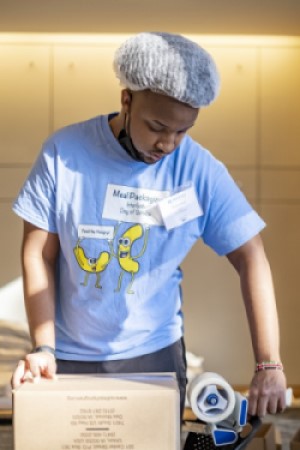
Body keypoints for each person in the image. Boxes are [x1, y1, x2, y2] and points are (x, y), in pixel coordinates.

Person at [11, 32, 286, 421]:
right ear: (126, 99)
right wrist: (43, 347)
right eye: (157, 126)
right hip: (66, 356)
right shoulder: (64, 154)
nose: (169, 144)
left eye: (183, 130)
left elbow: (251, 255)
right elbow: (39, 253)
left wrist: (268, 364)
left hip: (155, 355)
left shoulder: (197, 170)